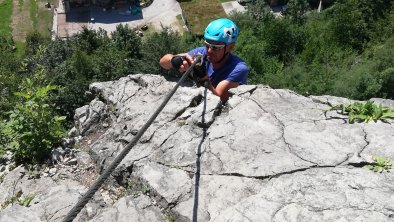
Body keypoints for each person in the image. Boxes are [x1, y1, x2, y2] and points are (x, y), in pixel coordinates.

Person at [159, 18, 248, 103]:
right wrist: (175, 60)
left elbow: (219, 99)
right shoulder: (202, 52)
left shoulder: (238, 69)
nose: (209, 50)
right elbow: (163, 62)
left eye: (216, 47)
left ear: (230, 47)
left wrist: (203, 78)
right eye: (207, 45)